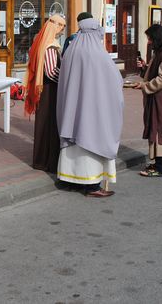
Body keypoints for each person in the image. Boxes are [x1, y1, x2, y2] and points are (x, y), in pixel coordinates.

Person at [56, 12, 124, 197]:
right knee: (90, 142)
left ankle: (71, 180)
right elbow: (115, 79)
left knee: (74, 146)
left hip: (73, 112)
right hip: (93, 111)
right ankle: (92, 185)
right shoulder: (96, 52)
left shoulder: (71, 50)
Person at [25, 14, 66, 172]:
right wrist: (65, 79)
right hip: (49, 90)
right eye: (61, 27)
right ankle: (46, 161)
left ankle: (44, 159)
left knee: (47, 123)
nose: (62, 30)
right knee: (48, 124)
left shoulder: (47, 43)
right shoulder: (49, 45)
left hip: (49, 89)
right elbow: (50, 72)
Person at [135, 25, 162, 178]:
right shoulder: (161, 52)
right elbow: (155, 73)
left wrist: (145, 86)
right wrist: (144, 68)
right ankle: (158, 162)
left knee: (160, 129)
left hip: (161, 99)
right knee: (155, 127)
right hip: (157, 98)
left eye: (150, 38)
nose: (148, 42)